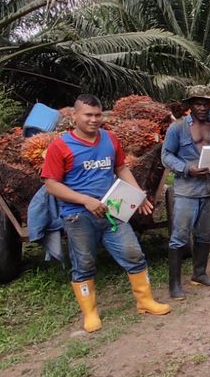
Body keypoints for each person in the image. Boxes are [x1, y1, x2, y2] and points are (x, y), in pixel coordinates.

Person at [42, 94, 170, 333]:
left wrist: (136, 194)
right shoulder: (60, 146)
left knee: (133, 253)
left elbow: (120, 167)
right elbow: (51, 184)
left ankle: (145, 301)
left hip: (112, 210)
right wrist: (85, 200)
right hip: (78, 215)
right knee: (84, 263)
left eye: (97, 115)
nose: (93, 120)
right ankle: (90, 313)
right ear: (74, 116)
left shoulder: (110, 139)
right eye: (87, 115)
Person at [160, 85, 210, 297]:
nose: (203, 107)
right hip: (186, 190)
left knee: (204, 235)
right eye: (198, 103)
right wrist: (187, 168)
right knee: (179, 237)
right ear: (190, 105)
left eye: (206, 103)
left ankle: (199, 273)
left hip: (209, 189)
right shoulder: (178, 128)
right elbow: (166, 155)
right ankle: (174, 284)